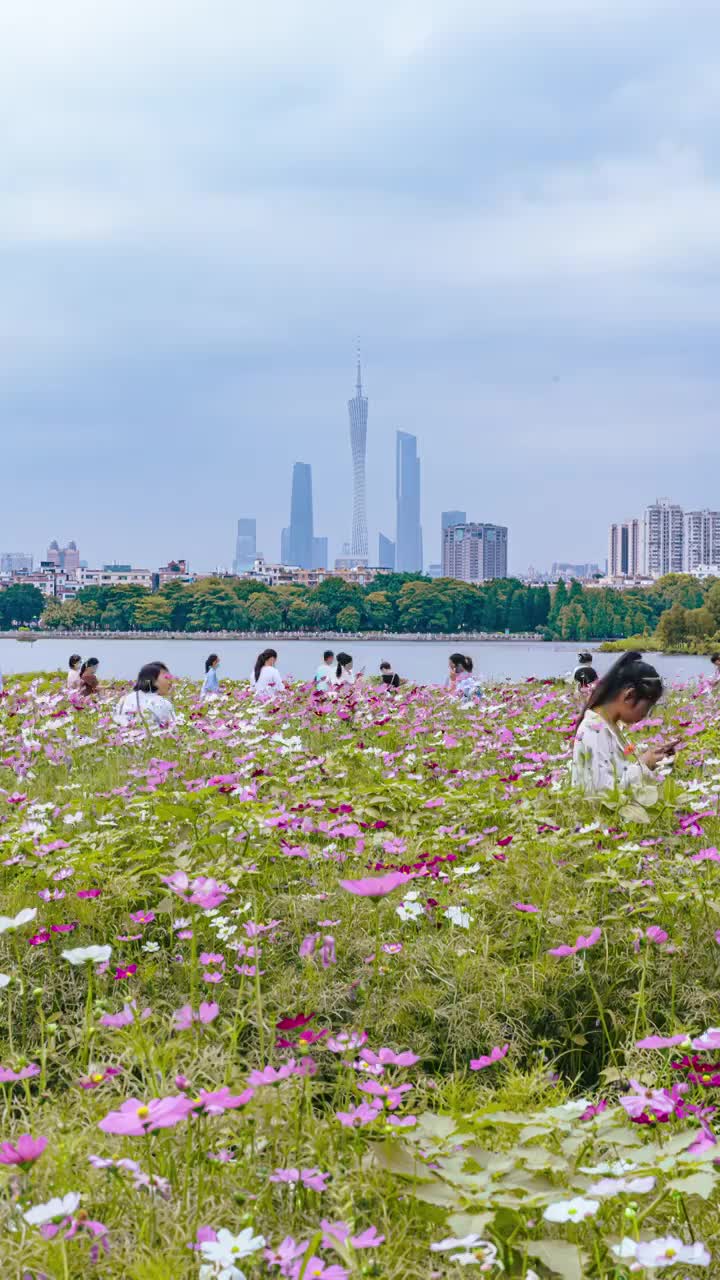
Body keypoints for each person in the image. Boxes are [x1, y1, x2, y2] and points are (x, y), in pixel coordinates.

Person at [571, 651, 670, 796]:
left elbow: (623, 770)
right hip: (599, 817)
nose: (646, 715)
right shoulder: (593, 730)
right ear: (629, 695)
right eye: (647, 707)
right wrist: (644, 765)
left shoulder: (610, 725)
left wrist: (652, 757)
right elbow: (602, 793)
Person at [114, 662, 176, 728]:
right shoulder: (164, 703)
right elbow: (174, 727)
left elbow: (118, 721)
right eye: (166, 677)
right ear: (153, 680)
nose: (170, 682)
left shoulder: (125, 698)